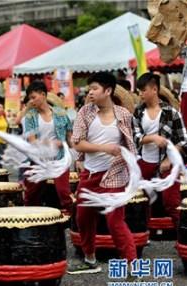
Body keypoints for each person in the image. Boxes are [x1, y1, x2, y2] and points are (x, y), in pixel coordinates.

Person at [68, 72, 137, 274]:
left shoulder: (124, 115)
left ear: (108, 91)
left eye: (94, 88)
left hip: (114, 175)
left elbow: (131, 144)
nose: (90, 92)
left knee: (115, 221)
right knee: (83, 218)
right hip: (90, 175)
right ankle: (89, 259)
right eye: (89, 89)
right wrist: (105, 148)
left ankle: (132, 265)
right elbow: (77, 143)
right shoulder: (85, 112)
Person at [133, 73, 187, 228]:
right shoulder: (138, 112)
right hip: (144, 161)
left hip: (168, 163)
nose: (140, 94)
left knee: (172, 203)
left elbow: (183, 139)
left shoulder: (171, 112)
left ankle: (182, 237)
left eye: (143, 90)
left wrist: (169, 159)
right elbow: (135, 137)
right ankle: (143, 236)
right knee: (142, 201)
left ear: (154, 89)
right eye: (139, 91)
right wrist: (153, 138)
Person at [23, 81, 73, 214]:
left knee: (64, 193)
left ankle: (75, 223)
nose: (31, 101)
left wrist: (79, 153)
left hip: (59, 159)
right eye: (30, 98)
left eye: (34, 97)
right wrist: (53, 143)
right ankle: (32, 224)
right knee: (31, 194)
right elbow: (32, 141)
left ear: (43, 95)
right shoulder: (30, 116)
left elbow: (70, 137)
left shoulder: (61, 114)